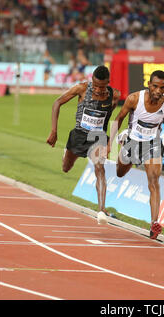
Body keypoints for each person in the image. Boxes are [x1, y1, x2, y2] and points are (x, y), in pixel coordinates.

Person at [107, 70, 164, 239]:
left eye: (162, 87)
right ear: (149, 85)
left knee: (154, 181)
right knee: (120, 172)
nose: (158, 91)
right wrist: (109, 144)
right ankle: (123, 145)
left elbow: (160, 120)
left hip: (152, 144)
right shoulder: (134, 99)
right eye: (155, 86)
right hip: (132, 141)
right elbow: (118, 118)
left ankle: (154, 224)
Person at [46, 65, 120, 218]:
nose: (98, 90)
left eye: (102, 86)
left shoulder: (114, 95)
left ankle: (101, 209)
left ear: (108, 82)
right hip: (79, 135)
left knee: (100, 168)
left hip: (98, 137)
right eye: (96, 85)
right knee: (66, 167)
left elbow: (109, 115)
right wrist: (54, 131)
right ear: (92, 79)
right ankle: (66, 153)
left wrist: (107, 141)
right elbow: (57, 103)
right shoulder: (81, 89)